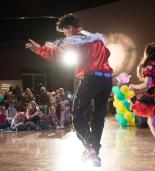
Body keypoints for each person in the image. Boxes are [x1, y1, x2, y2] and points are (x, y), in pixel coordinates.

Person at [25, 13, 113, 166]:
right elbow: (107, 53)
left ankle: (91, 147)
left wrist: (40, 50)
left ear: (70, 28)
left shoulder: (77, 39)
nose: (65, 35)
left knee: (77, 114)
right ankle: (94, 153)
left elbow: (58, 54)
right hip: (106, 80)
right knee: (98, 117)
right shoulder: (95, 38)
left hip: (91, 78)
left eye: (65, 32)